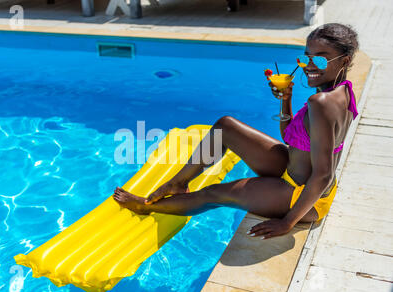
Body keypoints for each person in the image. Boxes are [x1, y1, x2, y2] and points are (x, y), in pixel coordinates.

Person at [113, 23, 360, 240]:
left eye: (320, 58)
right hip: (294, 171)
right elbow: (291, 138)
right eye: (307, 57)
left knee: (213, 193)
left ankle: (146, 206)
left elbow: (323, 175)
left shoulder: (322, 103)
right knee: (226, 126)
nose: (309, 66)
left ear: (344, 60)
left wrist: (288, 222)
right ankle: (178, 183)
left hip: (302, 196)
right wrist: (286, 99)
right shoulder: (341, 91)